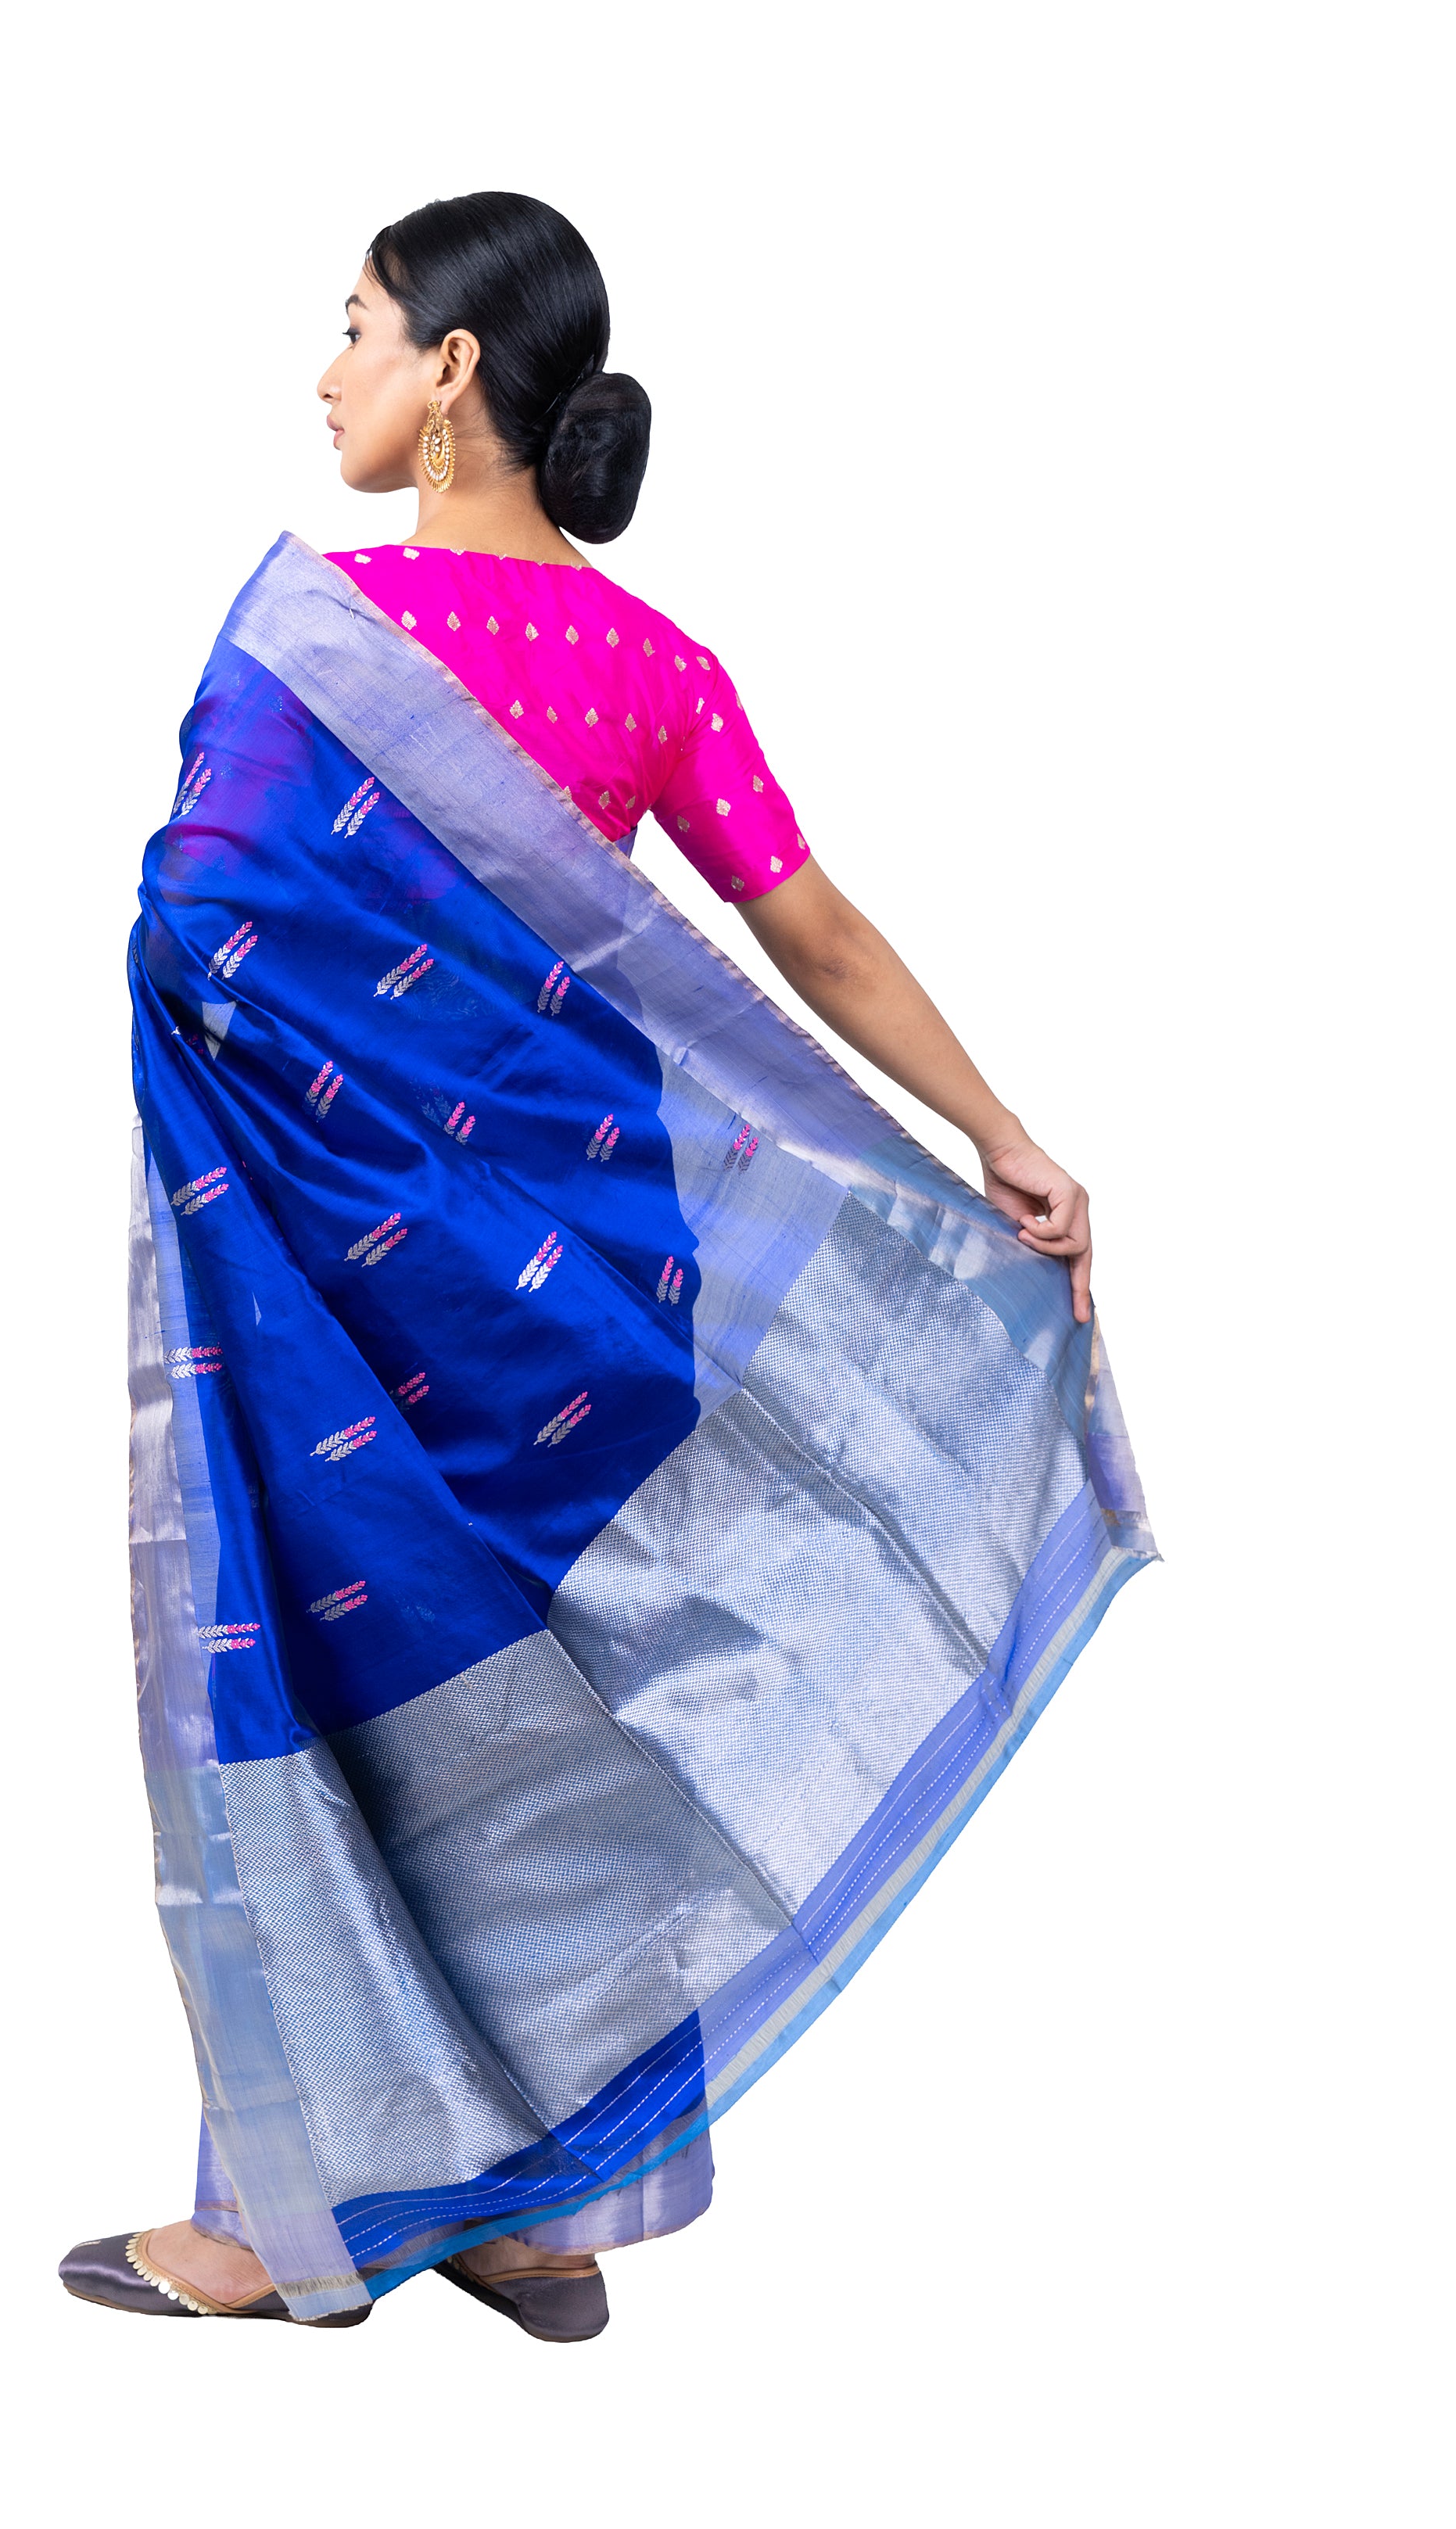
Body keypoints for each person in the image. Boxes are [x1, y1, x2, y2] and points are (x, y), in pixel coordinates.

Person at [60, 192, 1154, 2341]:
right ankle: (536, 2216)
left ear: (452, 369)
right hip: (590, 1299)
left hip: (350, 1287)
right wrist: (1003, 1138)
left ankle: (285, 2225)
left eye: (357, 326)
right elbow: (810, 925)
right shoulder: (660, 668)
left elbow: (200, 917)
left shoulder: (320, 640)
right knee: (564, 1724)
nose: (327, 372)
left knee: (318, 1702)